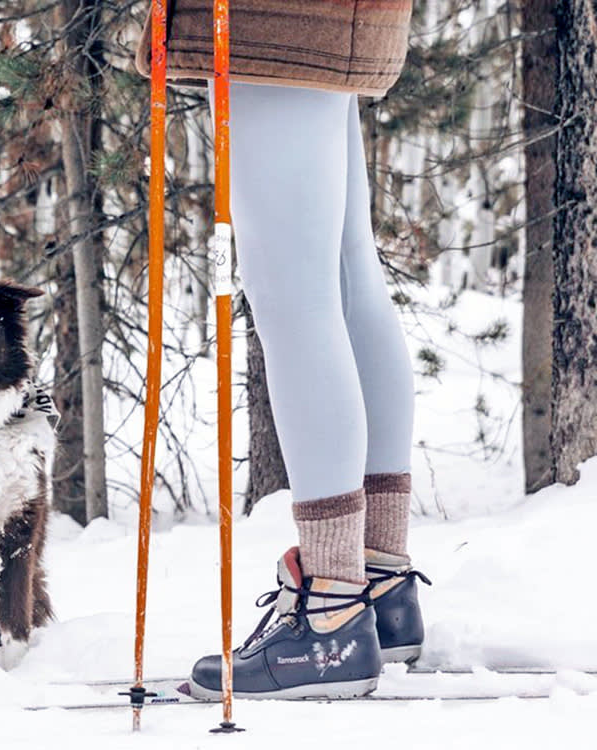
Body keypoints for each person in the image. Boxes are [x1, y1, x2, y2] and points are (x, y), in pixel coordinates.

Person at [135, 1, 429, 699]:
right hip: (331, 21)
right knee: (344, 270)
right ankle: (376, 579)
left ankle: (330, 611)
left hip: (274, 21)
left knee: (295, 289)